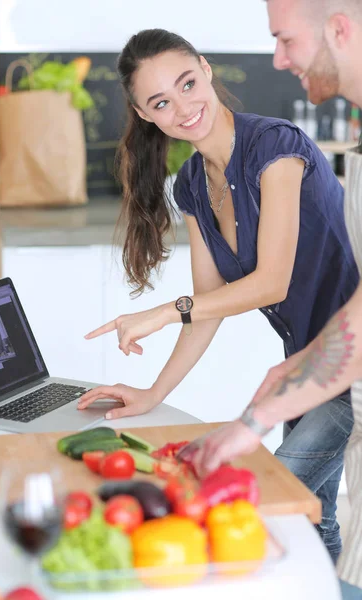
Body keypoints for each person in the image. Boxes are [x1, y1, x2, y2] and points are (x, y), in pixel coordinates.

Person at [77, 28, 359, 562]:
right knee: (306, 517)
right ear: (144, 114)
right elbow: (208, 307)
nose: (183, 107)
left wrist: (165, 311)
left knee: (265, 499)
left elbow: (268, 282)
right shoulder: (190, 185)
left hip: (348, 360)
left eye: (187, 83)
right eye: (161, 101)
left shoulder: (276, 147)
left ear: (205, 69)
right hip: (302, 367)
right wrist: (151, 394)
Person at [191, 1, 362, 597]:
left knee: (282, 507)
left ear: (339, 29)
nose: (276, 58)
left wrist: (252, 423)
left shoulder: (275, 146)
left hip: (342, 382)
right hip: (337, 379)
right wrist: (293, 370)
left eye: (284, 39)